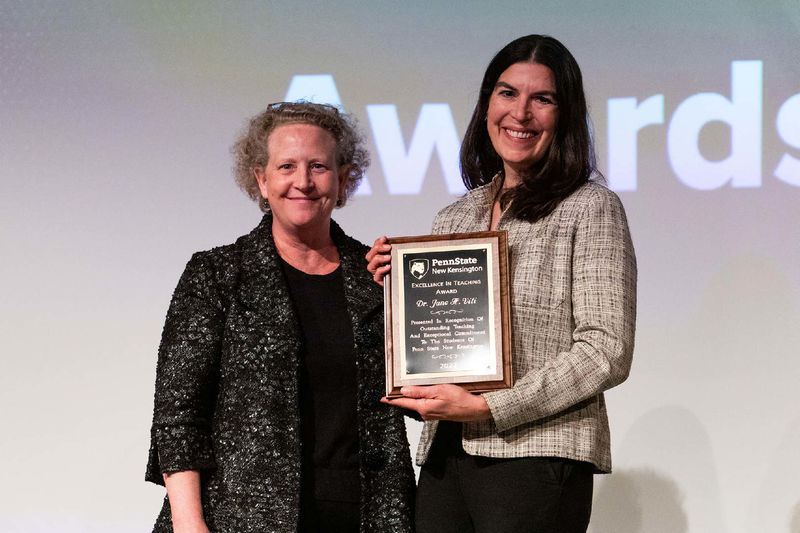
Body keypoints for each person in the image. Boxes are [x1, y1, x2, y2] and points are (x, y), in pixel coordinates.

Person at [367, 35, 637, 532]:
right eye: (507, 93)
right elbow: (437, 337)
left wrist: (491, 405)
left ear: (565, 114)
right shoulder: (455, 217)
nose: (522, 113)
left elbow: (605, 349)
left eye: (544, 98)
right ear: (486, 104)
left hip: (535, 454)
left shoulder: (590, 208)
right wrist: (389, 290)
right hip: (448, 454)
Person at [146, 102, 415, 533]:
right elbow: (178, 415)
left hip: (365, 516)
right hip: (236, 518)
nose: (303, 182)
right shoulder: (217, 276)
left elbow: (418, 396)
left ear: (344, 179)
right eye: (286, 166)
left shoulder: (379, 278)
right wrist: (188, 522)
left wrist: (408, 302)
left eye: (319, 167)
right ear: (262, 179)